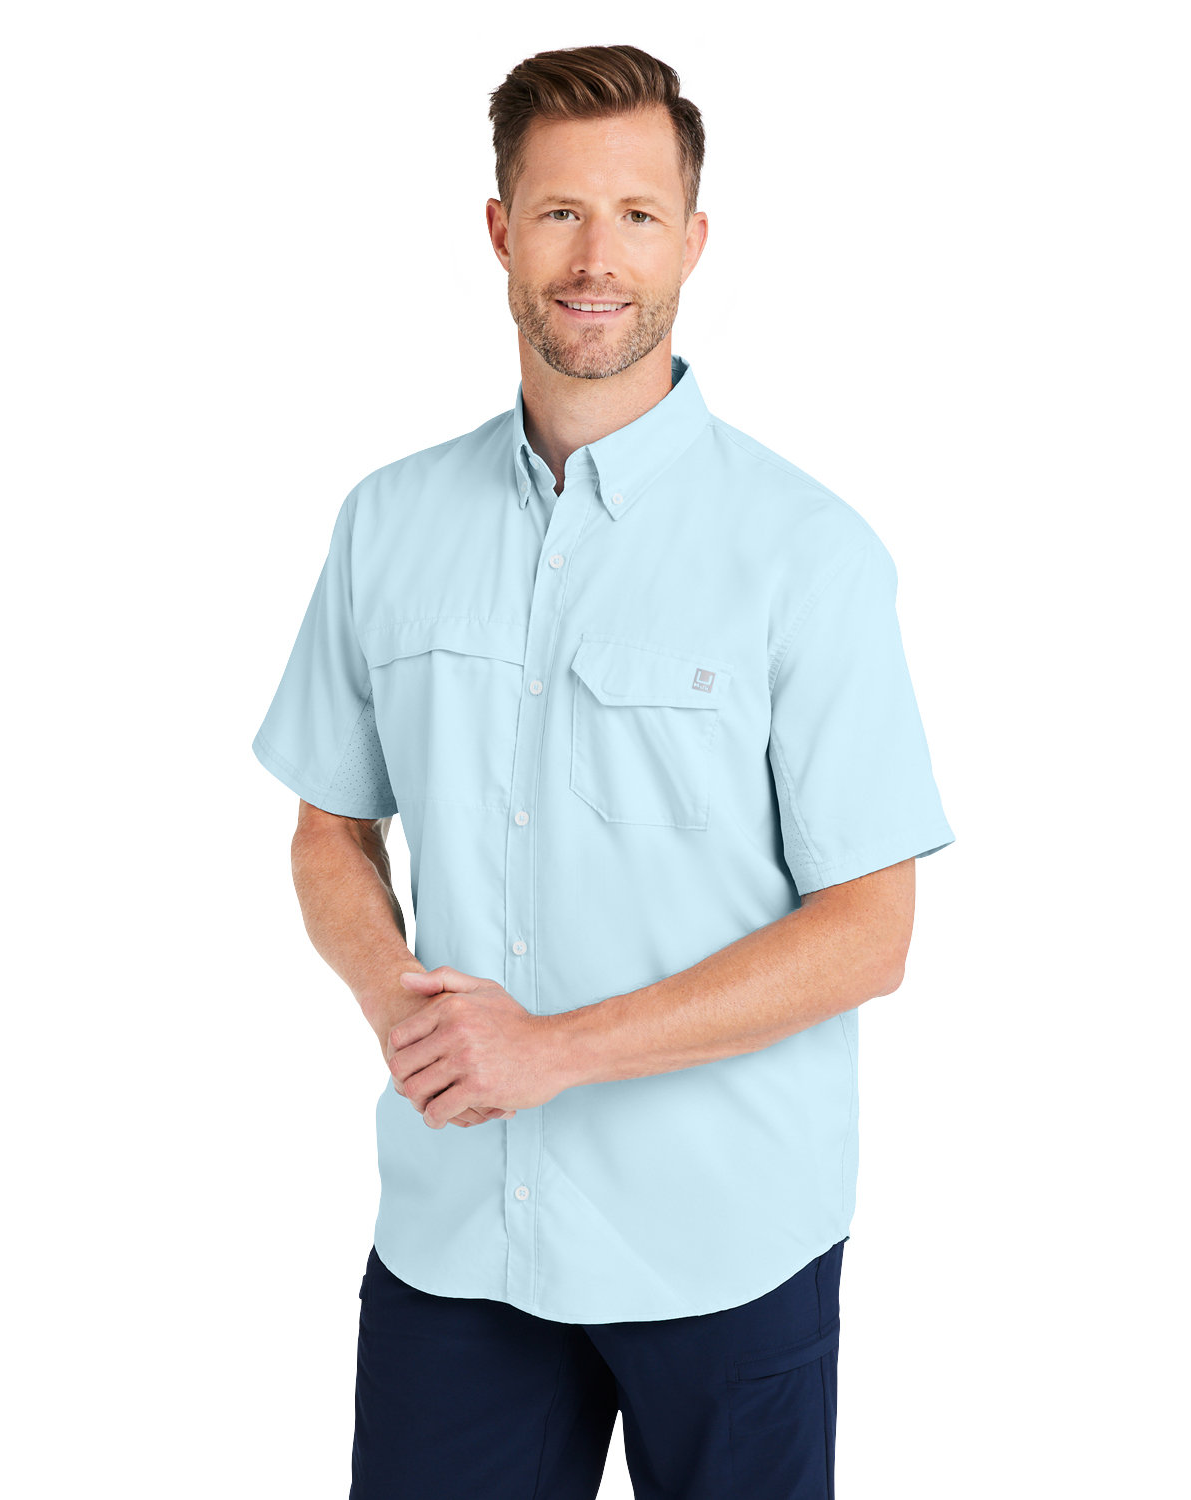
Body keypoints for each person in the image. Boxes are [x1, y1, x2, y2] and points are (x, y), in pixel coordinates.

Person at [251, 41, 955, 1500]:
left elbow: (869, 933)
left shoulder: (807, 555)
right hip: (456, 1238)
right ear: (499, 230)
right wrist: (400, 1007)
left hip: (727, 1244)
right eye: (561, 212)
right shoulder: (386, 523)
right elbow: (329, 827)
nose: (595, 259)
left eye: (636, 216)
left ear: (692, 241)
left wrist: (553, 1052)